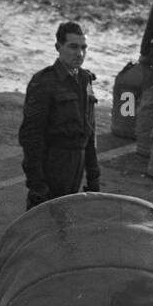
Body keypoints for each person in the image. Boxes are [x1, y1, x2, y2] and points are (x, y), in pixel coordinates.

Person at [18, 21, 100, 210]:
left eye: (83, 47)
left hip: (77, 165)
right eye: (73, 46)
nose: (79, 53)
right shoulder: (44, 82)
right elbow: (31, 137)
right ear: (58, 47)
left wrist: (94, 176)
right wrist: (37, 183)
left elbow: (89, 131)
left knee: (69, 225)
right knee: (42, 227)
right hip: (53, 164)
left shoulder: (85, 79)